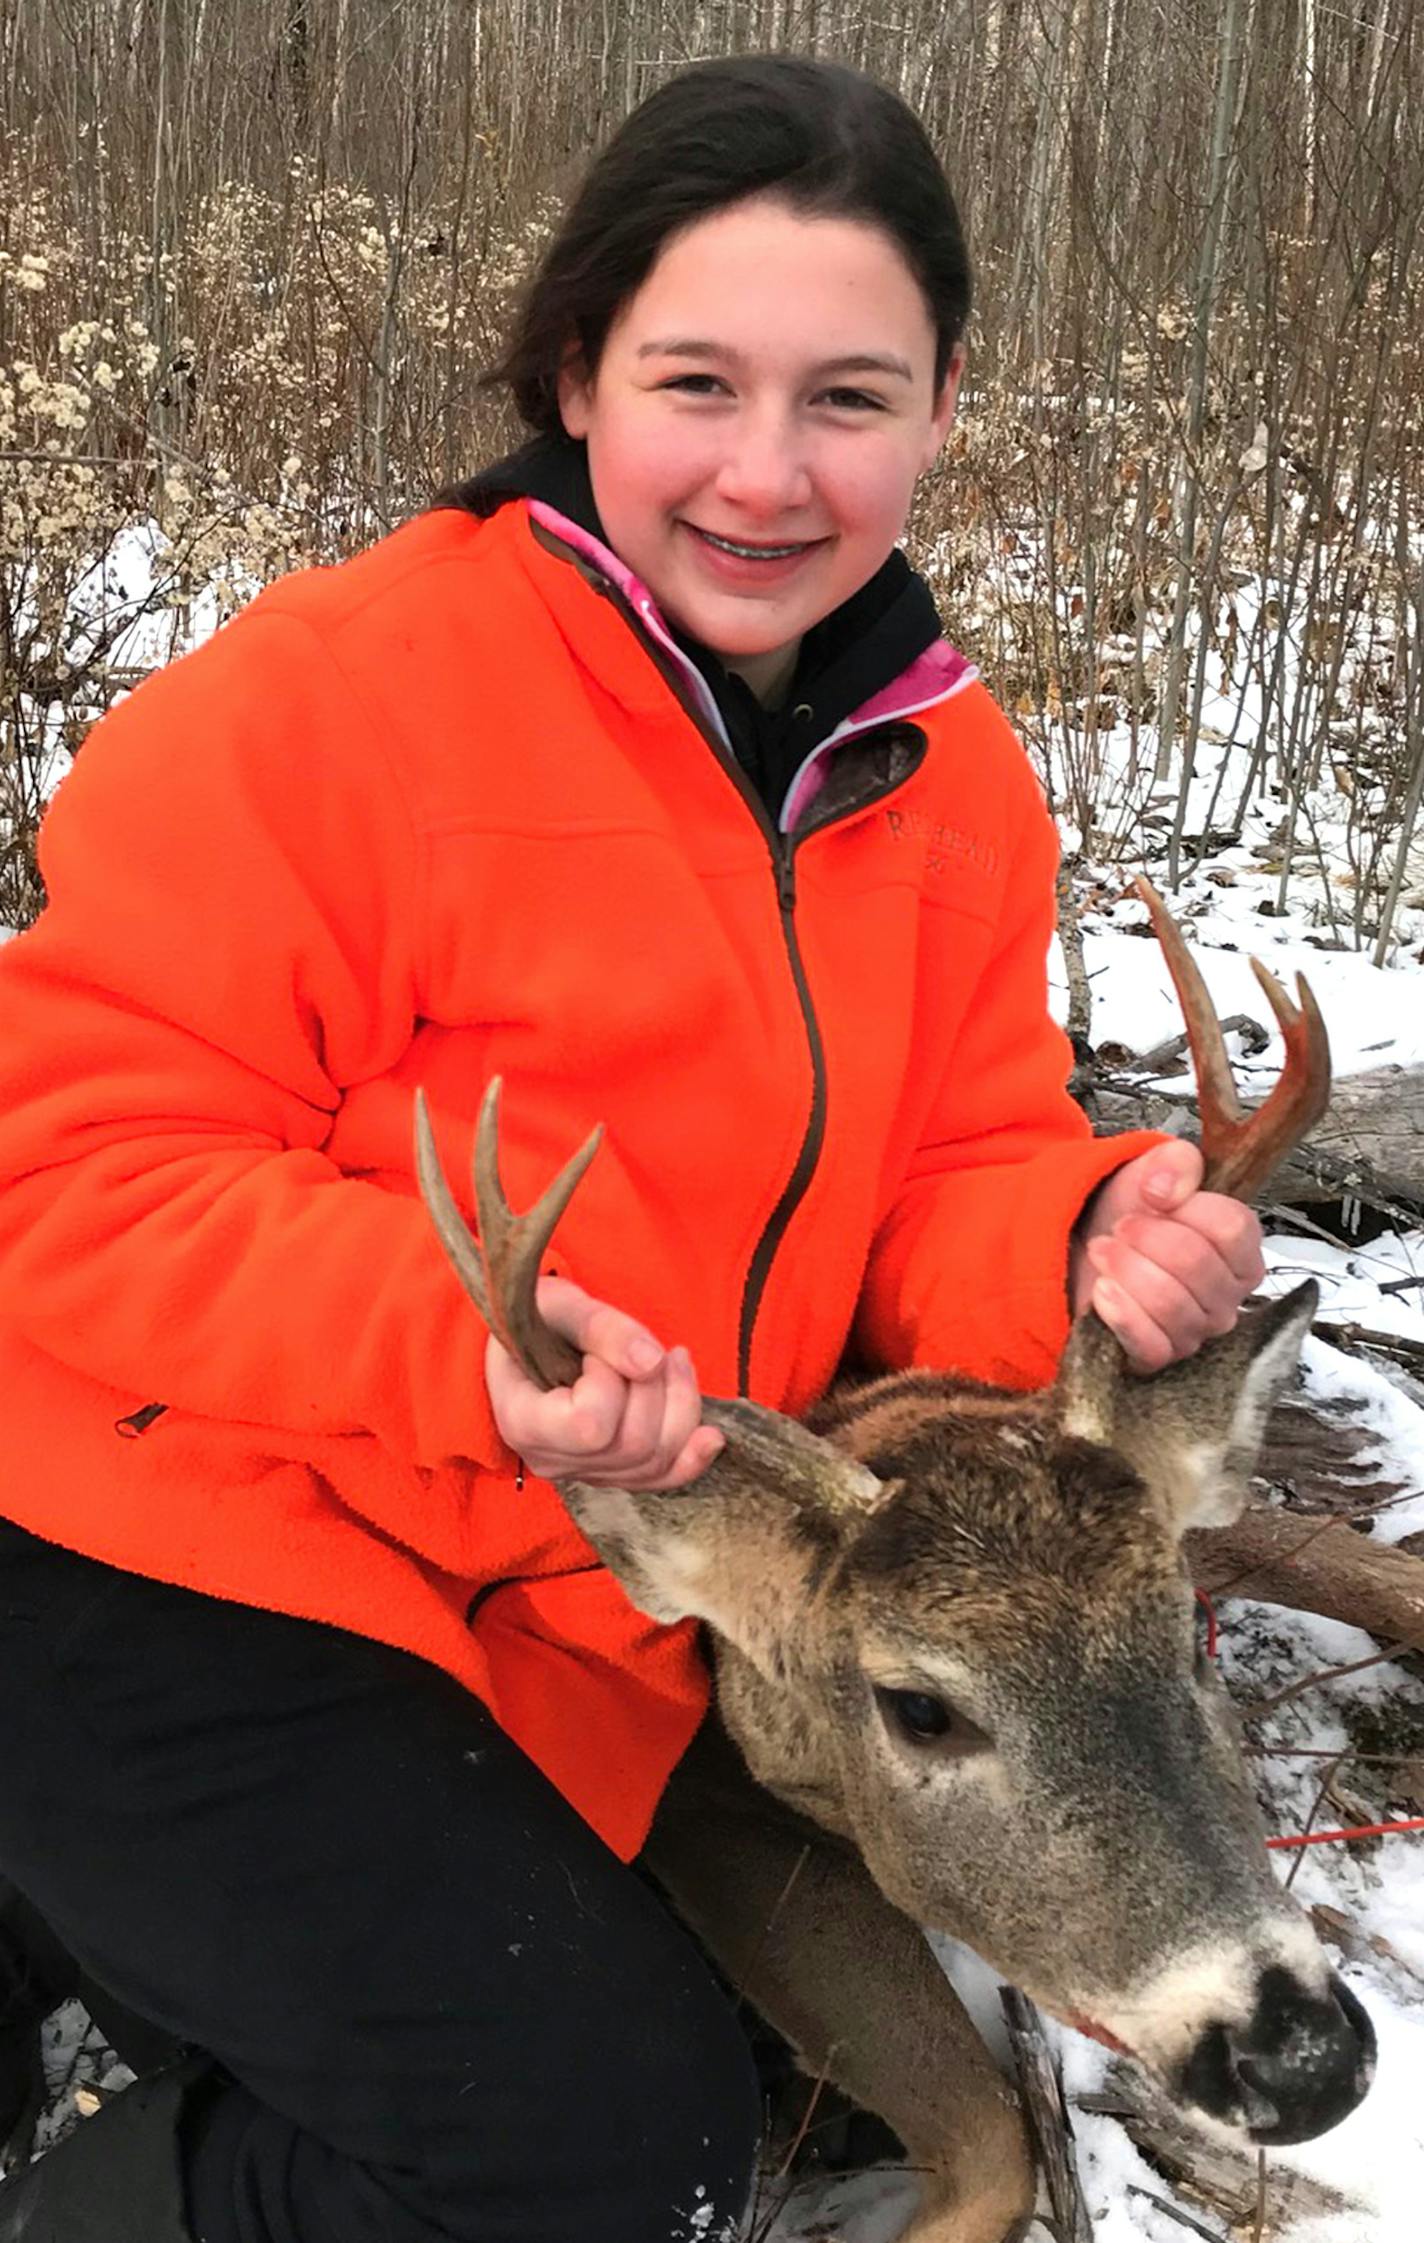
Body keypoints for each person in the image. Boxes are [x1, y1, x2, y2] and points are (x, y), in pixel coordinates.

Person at [0, 51, 1264, 2243]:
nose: (768, 475)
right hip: (152, 1536)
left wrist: (1084, 1232)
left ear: (946, 407)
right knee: (579, 2156)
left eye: (850, 398)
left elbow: (945, 1161)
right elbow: (66, 1163)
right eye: (699, 381)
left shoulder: (946, 781)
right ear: (574, 369)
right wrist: (447, 1344)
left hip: (568, 1616)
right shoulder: (333, 699)